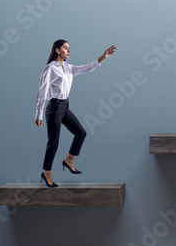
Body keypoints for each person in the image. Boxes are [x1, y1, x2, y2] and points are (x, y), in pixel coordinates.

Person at [35, 40, 116, 187]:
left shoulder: (67, 67)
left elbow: (87, 68)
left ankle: (69, 160)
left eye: (69, 48)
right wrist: (38, 113)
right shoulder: (50, 68)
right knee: (53, 142)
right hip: (54, 107)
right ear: (57, 50)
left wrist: (103, 56)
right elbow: (42, 91)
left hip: (65, 105)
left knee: (81, 133)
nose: (69, 51)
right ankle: (47, 172)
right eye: (66, 48)